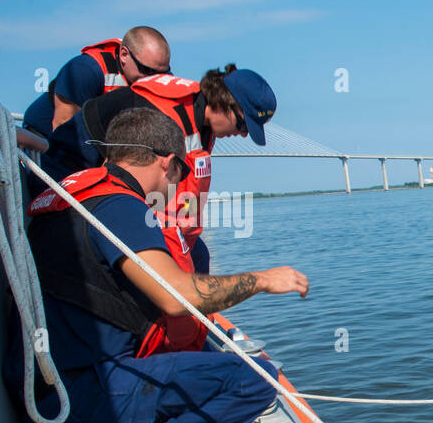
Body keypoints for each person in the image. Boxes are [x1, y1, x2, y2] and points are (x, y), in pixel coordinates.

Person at [5, 107, 308, 423]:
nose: (179, 179)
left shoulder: (73, 192)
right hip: (77, 399)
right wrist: (262, 280)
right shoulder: (120, 207)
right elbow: (177, 296)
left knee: (196, 353)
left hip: (48, 390)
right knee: (257, 380)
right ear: (166, 162)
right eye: (180, 168)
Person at [43, 64, 277, 352]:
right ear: (225, 105)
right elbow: (128, 174)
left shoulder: (202, 124)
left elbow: (181, 191)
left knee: (198, 252)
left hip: (130, 190)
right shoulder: (163, 115)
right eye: (243, 125)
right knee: (166, 260)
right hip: (77, 172)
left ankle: (188, 334)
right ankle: (152, 341)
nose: (242, 135)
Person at [22, 27, 171, 137]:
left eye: (162, 73)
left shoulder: (155, 71)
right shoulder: (84, 70)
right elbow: (62, 127)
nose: (154, 79)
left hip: (99, 141)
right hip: (44, 143)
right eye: (146, 70)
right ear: (124, 55)